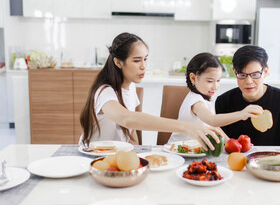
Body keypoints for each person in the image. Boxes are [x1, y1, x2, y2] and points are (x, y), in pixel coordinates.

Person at [79, 32, 223, 150]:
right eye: (136, 61)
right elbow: (127, 119)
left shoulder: (130, 87)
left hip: (116, 155)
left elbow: (131, 129)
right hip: (94, 156)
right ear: (118, 62)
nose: (143, 66)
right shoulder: (104, 91)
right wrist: (185, 127)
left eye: (145, 59)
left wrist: (136, 152)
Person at [215, 46, 280, 146]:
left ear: (265, 72)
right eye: (242, 75)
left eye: (255, 74)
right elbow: (221, 144)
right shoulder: (223, 102)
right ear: (234, 72)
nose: (248, 81)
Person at [168, 53, 263, 143]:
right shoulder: (196, 101)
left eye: (218, 80)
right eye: (210, 81)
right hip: (178, 150)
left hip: (193, 150)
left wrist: (231, 142)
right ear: (193, 78)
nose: (215, 86)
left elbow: (214, 127)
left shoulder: (207, 98)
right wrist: (241, 114)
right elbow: (212, 120)